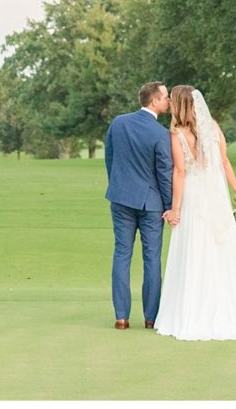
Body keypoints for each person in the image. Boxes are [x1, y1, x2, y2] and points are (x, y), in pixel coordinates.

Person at [153, 84, 236, 341]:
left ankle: (192, 311)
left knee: (194, 249)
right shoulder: (213, 128)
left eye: (172, 100)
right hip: (214, 196)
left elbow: (180, 172)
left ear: (180, 104)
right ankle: (227, 307)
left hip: (193, 198)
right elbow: (225, 161)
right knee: (218, 251)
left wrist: (174, 208)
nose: (170, 104)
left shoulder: (176, 133)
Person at [102, 81, 175, 330]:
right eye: (165, 97)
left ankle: (121, 317)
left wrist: (118, 185)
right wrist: (169, 205)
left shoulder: (118, 123)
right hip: (151, 203)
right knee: (152, 258)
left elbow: (109, 158)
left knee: (121, 254)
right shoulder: (160, 134)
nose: (168, 101)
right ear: (154, 101)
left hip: (120, 198)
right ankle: (151, 317)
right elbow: (164, 172)